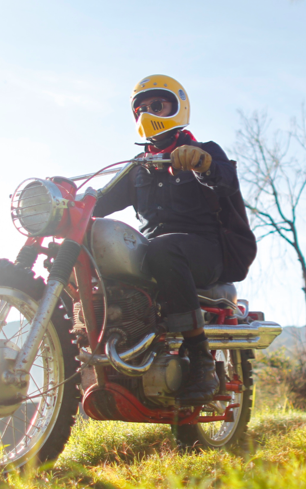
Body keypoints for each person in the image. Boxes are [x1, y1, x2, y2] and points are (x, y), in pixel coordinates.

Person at [92, 74, 240, 405]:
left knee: (163, 248)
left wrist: (201, 164)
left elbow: (224, 179)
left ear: (177, 106)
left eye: (156, 105)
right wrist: (68, 197)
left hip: (203, 252)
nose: (147, 114)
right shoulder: (138, 168)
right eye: (140, 109)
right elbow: (99, 201)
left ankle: (201, 360)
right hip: (153, 255)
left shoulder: (205, 151)